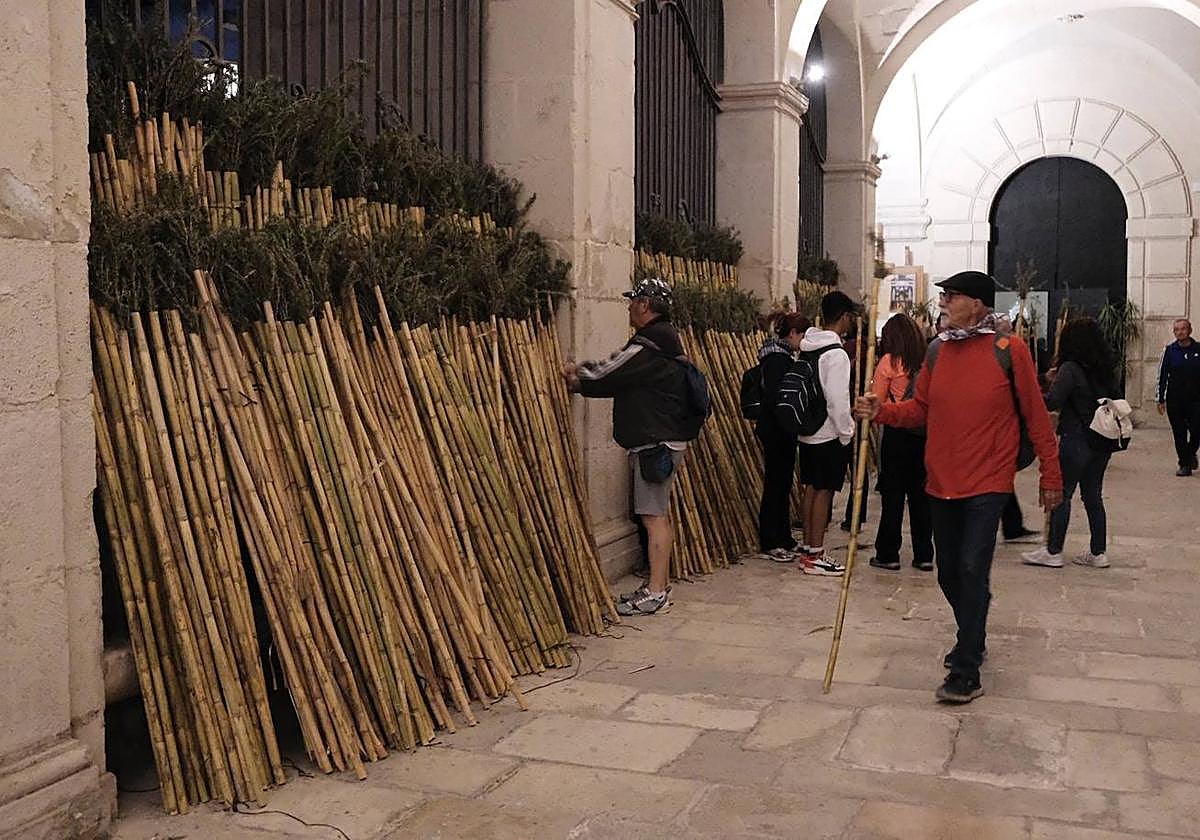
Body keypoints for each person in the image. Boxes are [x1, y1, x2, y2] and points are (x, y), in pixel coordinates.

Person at [855, 270, 1062, 704]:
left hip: (988, 482)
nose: (945, 301)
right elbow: (919, 411)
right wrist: (882, 411)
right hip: (941, 481)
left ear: (979, 304)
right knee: (950, 573)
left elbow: (1037, 416)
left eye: (953, 295)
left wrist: (1051, 474)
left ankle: (966, 668)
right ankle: (974, 630)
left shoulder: (1011, 350)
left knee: (971, 568)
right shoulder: (936, 352)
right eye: (945, 295)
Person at [561, 277, 693, 616]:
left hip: (655, 443)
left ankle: (657, 591)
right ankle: (657, 586)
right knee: (656, 514)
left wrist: (578, 375)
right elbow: (624, 380)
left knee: (653, 517)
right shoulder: (665, 343)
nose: (629, 307)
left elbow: (612, 371)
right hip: (663, 439)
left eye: (633, 301)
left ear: (646, 305)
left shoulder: (650, 345)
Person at [1022, 318, 1116, 569]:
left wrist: (1033, 393)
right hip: (1102, 439)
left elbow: (1053, 402)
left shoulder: (1071, 368)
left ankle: (1053, 551)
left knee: (1062, 494)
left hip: (1076, 438)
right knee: (1093, 495)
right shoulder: (1105, 368)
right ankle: (1099, 552)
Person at [795, 291, 858, 576]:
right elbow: (837, 399)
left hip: (807, 429)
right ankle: (816, 554)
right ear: (844, 317)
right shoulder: (836, 354)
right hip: (828, 431)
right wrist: (847, 432)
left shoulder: (809, 347)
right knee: (824, 492)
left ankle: (807, 548)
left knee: (811, 488)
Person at [867, 314, 934, 572]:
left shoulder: (888, 363)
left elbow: (878, 401)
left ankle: (888, 552)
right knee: (921, 496)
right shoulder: (927, 361)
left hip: (896, 432)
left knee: (893, 496)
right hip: (923, 434)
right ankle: (924, 554)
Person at [754, 312, 809, 560]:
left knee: (783, 483)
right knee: (776, 484)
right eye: (803, 335)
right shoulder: (777, 359)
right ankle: (771, 540)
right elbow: (778, 397)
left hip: (780, 429)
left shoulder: (780, 355)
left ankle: (783, 536)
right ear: (793, 334)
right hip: (776, 429)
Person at [1156, 318, 1200, 476]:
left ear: (1190, 330)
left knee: (1197, 430)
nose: (1180, 332)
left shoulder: (1198, 349)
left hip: (1196, 399)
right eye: (1177, 330)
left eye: (1183, 329)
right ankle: (1184, 464)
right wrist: (1160, 398)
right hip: (1175, 399)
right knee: (1179, 433)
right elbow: (1161, 375)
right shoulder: (1169, 351)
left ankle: (1190, 453)